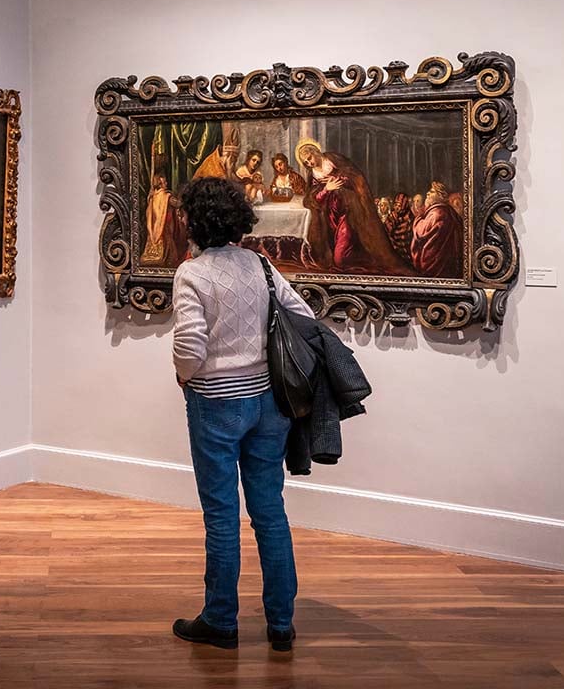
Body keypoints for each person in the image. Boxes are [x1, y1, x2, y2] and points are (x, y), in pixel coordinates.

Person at [170, 177, 313, 652]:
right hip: (270, 404)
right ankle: (281, 624)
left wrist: (184, 375)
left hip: (215, 404)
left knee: (222, 514)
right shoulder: (260, 263)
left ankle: (220, 620)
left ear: (195, 220)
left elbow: (190, 345)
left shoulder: (191, 273)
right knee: (270, 512)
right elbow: (303, 316)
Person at [297, 139, 411, 274]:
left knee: (340, 259)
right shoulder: (313, 175)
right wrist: (327, 189)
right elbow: (311, 199)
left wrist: (341, 180)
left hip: (348, 213)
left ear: (315, 151)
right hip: (328, 219)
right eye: (306, 162)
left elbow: (356, 178)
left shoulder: (334, 160)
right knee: (329, 254)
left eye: (309, 158)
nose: (309, 163)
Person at [411, 181, 464, 277]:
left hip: (437, 262)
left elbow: (421, 232)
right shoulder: (447, 210)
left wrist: (418, 217)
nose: (427, 193)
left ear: (440, 196)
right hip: (445, 261)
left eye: (432, 192)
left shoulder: (438, 213)